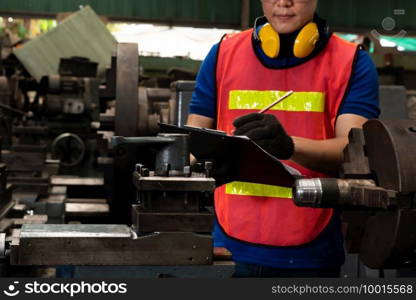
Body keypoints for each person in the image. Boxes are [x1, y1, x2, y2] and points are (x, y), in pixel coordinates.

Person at [187, 0, 380, 277]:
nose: (283, 2)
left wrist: (288, 145)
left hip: (310, 253)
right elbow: (195, 141)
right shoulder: (223, 54)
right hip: (225, 247)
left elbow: (354, 151)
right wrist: (205, 160)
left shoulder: (351, 62)